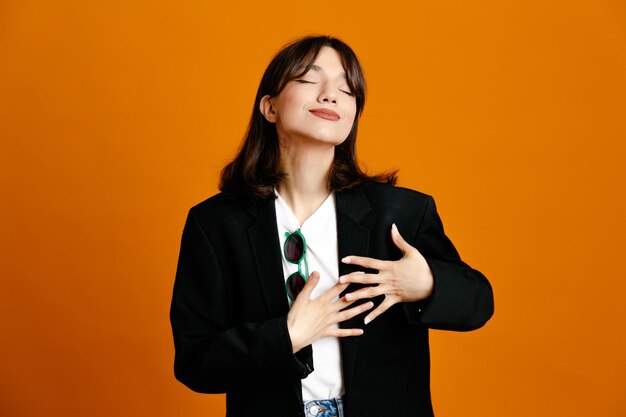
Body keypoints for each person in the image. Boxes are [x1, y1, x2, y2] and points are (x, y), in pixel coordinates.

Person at [170, 35, 494, 417]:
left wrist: (425, 283)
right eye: (309, 80)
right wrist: (285, 336)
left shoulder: (403, 211)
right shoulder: (215, 223)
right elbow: (195, 362)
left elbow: (478, 304)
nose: (331, 95)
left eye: (347, 88)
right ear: (269, 107)